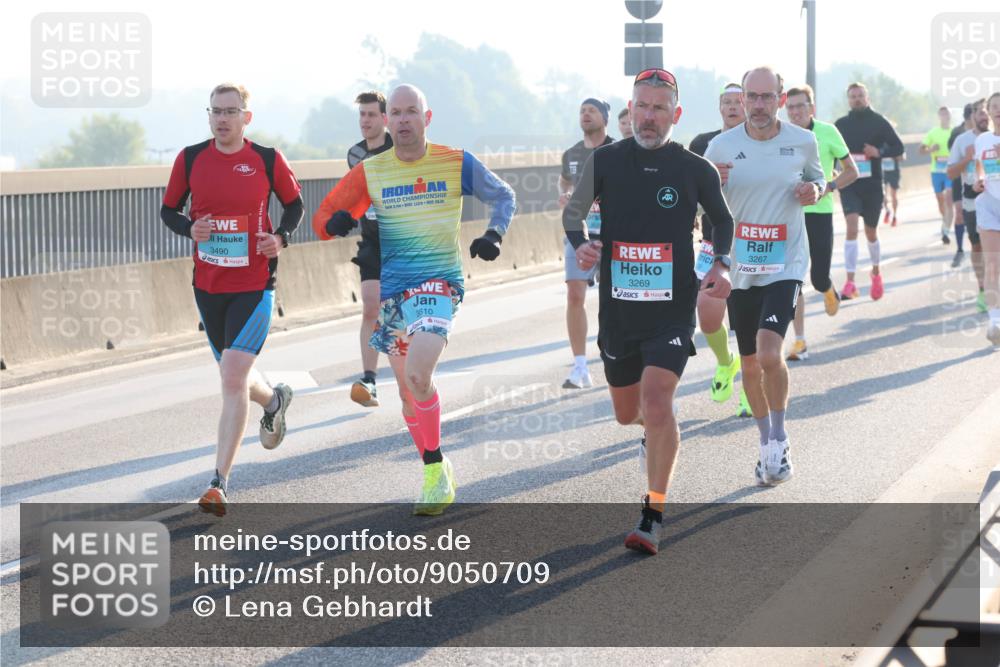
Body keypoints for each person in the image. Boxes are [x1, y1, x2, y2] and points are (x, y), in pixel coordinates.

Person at [312, 84, 516, 514]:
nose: (404, 120)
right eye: (397, 113)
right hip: (394, 293)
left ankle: (435, 468)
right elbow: (322, 219)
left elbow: (504, 195)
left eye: (412, 112)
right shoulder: (373, 170)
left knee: (419, 375)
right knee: (408, 392)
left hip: (438, 285)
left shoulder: (455, 161)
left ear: (427, 117)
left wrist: (494, 233)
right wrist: (340, 221)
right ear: (387, 122)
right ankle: (434, 469)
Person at [566, 68, 734, 555]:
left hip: (672, 308)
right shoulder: (605, 161)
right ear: (631, 108)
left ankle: (653, 513)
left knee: (658, 402)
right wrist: (581, 246)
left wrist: (721, 263)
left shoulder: (694, 169)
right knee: (628, 414)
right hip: (619, 312)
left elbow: (722, 221)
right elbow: (573, 213)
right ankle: (655, 435)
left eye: (660, 108)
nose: (649, 116)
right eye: (642, 105)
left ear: (675, 114)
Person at [160, 83, 303, 516]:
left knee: (230, 377)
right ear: (209, 116)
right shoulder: (190, 159)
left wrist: (280, 238)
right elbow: (169, 210)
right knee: (235, 376)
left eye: (231, 111)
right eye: (216, 111)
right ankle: (274, 401)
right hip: (208, 285)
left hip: (255, 283)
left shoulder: (266, 159)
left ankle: (219, 481)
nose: (222, 119)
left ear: (246, 117)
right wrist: (191, 230)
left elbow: (294, 205)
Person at [705, 66, 825, 488]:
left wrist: (816, 191)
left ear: (779, 98)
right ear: (740, 101)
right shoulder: (719, 147)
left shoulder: (803, 140)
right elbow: (704, 205)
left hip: (785, 262)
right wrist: (711, 187)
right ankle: (765, 443)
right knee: (751, 365)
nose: (756, 106)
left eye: (765, 97)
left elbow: (817, 179)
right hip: (742, 267)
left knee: (771, 354)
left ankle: (780, 438)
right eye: (749, 98)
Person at [784, 84, 859, 361]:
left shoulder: (827, 132)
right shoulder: (781, 134)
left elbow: (853, 170)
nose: (794, 112)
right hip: (788, 216)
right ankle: (800, 340)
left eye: (800, 106)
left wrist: (828, 186)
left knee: (817, 277)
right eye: (790, 107)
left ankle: (828, 289)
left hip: (820, 212)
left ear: (811, 107)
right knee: (792, 279)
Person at [688, 83, 745, 412]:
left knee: (750, 320)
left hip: (756, 239)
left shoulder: (761, 142)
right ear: (719, 107)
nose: (732, 107)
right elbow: (686, 191)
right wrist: (709, 183)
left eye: (738, 101)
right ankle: (727, 361)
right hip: (714, 240)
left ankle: (754, 390)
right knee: (707, 314)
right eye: (726, 102)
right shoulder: (701, 144)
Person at [559, 97, 615, 389]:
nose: (586, 115)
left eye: (592, 111)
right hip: (579, 234)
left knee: (614, 299)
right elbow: (565, 182)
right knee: (574, 295)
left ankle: (614, 354)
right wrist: (565, 196)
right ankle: (580, 366)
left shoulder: (618, 150)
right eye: (582, 111)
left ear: (605, 118)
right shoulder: (571, 154)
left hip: (614, 235)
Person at [346, 91, 394, 408]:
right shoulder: (354, 154)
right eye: (362, 115)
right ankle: (370, 380)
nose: (365, 121)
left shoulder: (400, 147)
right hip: (372, 240)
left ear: (384, 118)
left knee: (407, 312)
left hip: (405, 239)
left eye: (371, 115)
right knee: (370, 306)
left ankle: (413, 374)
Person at [834, 83, 904, 300]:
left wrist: (879, 151)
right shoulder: (841, 125)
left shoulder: (879, 122)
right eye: (852, 96)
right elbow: (830, 151)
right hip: (850, 183)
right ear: (848, 100)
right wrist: (833, 170)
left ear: (867, 97)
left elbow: (899, 147)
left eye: (860, 96)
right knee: (852, 228)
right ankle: (850, 282)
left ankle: (875, 273)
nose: (856, 99)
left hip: (873, 185)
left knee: (871, 232)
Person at [947, 98, 988, 304]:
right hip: (973, 202)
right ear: (973, 117)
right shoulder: (962, 141)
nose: (984, 115)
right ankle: (982, 289)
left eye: (986, 111)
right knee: (978, 246)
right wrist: (967, 159)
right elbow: (951, 173)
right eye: (980, 112)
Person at [971, 92, 1000, 345]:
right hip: (990, 205)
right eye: (995, 107)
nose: (999, 110)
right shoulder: (983, 139)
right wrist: (978, 180)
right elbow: (979, 166)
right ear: (988, 112)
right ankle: (995, 321)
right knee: (993, 265)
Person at [920, 107, 955, 244]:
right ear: (939, 116)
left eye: (947, 113)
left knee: (948, 199)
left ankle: (945, 230)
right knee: (940, 201)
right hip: (936, 172)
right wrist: (930, 149)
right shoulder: (933, 132)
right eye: (942, 113)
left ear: (950, 116)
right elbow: (921, 150)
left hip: (950, 172)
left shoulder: (954, 132)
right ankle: (945, 220)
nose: (945, 116)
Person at [948, 103, 976, 251]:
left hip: (978, 181)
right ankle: (959, 247)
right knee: (959, 213)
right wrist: (966, 159)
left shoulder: (987, 133)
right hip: (959, 178)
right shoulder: (957, 134)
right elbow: (951, 159)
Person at [881, 146, 902, 226]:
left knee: (893, 195)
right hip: (883, 172)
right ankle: (887, 211)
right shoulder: (879, 142)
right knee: (882, 194)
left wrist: (895, 157)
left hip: (894, 172)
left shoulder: (894, 142)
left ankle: (894, 216)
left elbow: (902, 157)